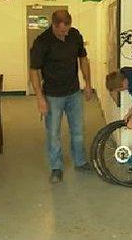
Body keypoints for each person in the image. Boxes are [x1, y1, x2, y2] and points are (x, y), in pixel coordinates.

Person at [30, 10, 93, 183]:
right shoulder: (42, 42)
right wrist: (39, 98)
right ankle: (56, 167)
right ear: (54, 25)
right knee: (53, 134)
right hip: (52, 96)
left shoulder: (75, 35)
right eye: (61, 31)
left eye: (67, 30)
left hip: (73, 93)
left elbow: (84, 60)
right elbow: (34, 71)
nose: (65, 34)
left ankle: (80, 161)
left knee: (78, 131)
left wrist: (88, 84)